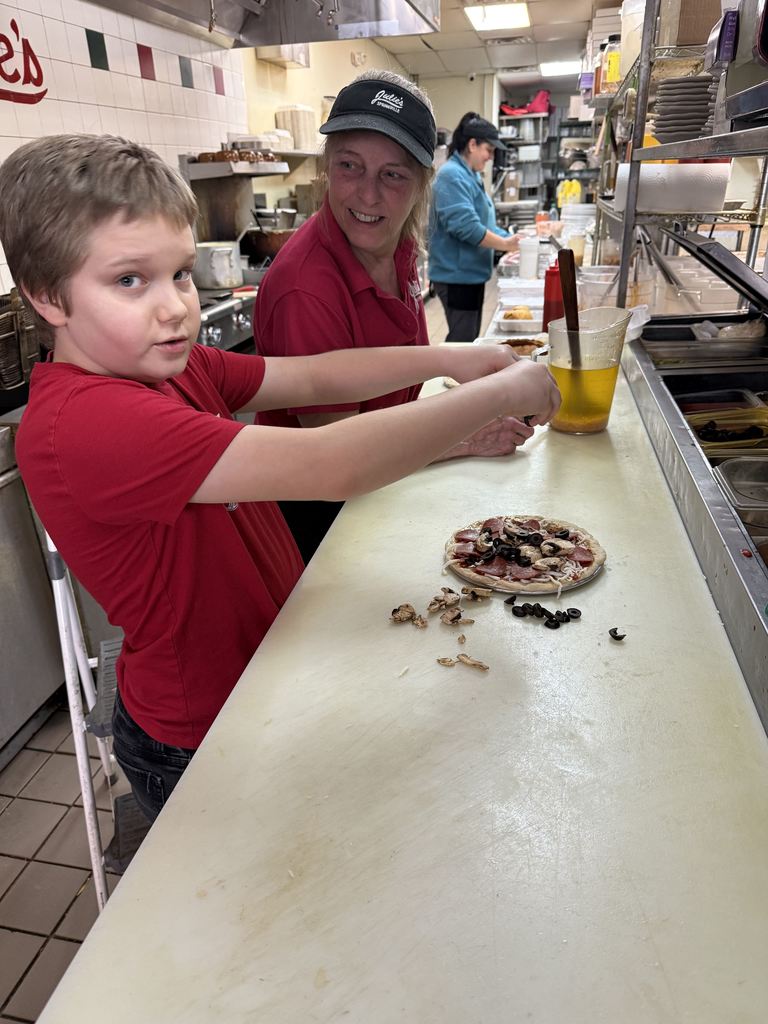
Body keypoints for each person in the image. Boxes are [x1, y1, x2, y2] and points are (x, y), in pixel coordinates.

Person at [0, 134, 560, 822]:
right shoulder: (85, 423)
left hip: (263, 672)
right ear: (47, 296)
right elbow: (331, 464)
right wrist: (502, 392)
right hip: (198, 730)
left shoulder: (174, 368)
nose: (176, 306)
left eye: (179, 273)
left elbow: (315, 372)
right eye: (129, 280)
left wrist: (455, 357)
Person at [255, 71, 535, 564]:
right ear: (326, 166)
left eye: (393, 174)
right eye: (350, 166)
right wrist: (463, 435)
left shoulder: (397, 242)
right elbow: (340, 457)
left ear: (422, 183)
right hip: (322, 529)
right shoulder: (306, 288)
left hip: (385, 493)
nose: (368, 195)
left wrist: (451, 372)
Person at [429, 112, 520, 343]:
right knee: (462, 340)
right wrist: (505, 245)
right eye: (488, 150)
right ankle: (447, 378)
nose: (490, 157)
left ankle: (459, 378)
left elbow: (482, 224)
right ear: (472, 144)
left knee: (469, 338)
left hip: (470, 274)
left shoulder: (470, 176)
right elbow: (467, 228)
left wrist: (512, 239)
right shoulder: (452, 175)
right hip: (457, 276)